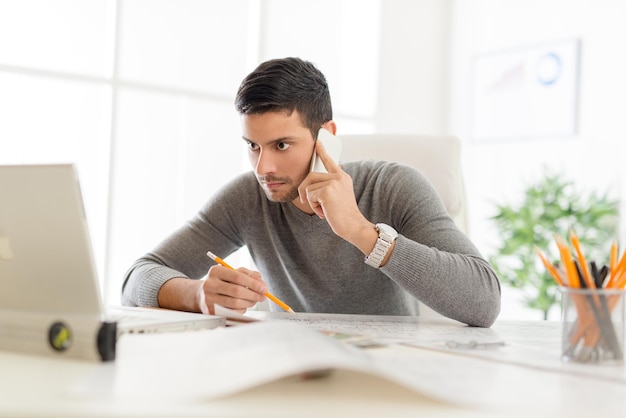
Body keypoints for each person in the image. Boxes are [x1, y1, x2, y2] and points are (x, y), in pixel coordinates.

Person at [122, 57, 501, 327]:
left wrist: (361, 232)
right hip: (292, 371)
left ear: (327, 136)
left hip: (386, 374)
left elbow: (484, 303)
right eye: (253, 146)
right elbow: (137, 277)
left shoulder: (393, 186)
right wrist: (196, 295)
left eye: (281, 145)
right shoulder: (247, 198)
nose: (263, 167)